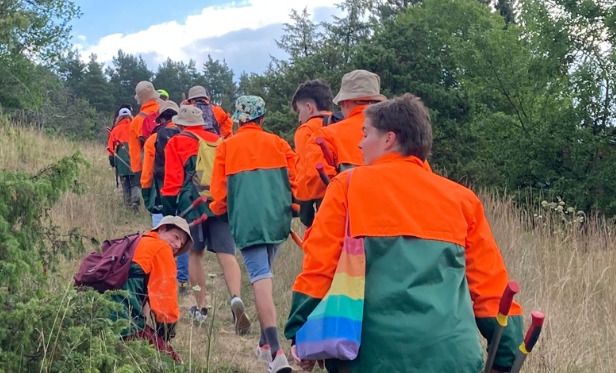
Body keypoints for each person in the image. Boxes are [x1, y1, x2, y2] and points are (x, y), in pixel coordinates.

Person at [285, 94, 525, 372]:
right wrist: (506, 355)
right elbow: (491, 289)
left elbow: (319, 267)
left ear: (389, 139)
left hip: (368, 357)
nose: (360, 144)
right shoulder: (463, 200)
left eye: (366, 134)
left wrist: (300, 331)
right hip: (451, 358)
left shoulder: (347, 187)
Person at [209, 95, 297, 373]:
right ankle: (262, 345)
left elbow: (220, 194)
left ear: (237, 120)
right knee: (265, 279)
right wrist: (294, 208)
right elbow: (296, 182)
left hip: (248, 224)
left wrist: (221, 211)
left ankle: (277, 354)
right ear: (263, 119)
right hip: (278, 221)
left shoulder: (226, 148)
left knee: (260, 280)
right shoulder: (280, 144)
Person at [160, 105, 249, 329]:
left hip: (193, 206)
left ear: (180, 124)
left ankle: (201, 307)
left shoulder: (177, 142)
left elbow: (171, 183)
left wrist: (170, 213)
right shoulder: (220, 141)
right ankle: (236, 298)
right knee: (227, 255)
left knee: (195, 254)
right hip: (220, 203)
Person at [112, 216, 194, 362]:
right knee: (172, 362)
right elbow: (165, 302)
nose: (176, 245)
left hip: (96, 312)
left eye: (181, 244)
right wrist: (166, 333)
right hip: (121, 322)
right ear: (161, 229)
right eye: (176, 237)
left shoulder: (135, 241)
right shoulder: (161, 249)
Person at [140, 101, 189, 291]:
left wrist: (146, 196)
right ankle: (182, 281)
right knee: (181, 237)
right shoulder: (187, 137)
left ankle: (161, 278)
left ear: (160, 118)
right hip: (184, 197)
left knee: (161, 237)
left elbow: (146, 173)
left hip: (161, 195)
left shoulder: (153, 139)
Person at [290, 79, 340, 229]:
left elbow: (307, 175)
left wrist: (305, 214)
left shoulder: (306, 130)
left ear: (309, 107)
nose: (299, 118)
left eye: (299, 111)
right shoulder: (343, 124)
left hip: (326, 202)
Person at [129, 81, 161, 195]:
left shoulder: (136, 121)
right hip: (174, 166)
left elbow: (135, 151)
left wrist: (138, 173)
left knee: (155, 203)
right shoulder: (168, 112)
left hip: (150, 167)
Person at [108, 106, 139, 208]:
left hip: (120, 159)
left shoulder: (115, 130)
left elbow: (110, 149)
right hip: (134, 157)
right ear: (130, 115)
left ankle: (128, 205)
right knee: (135, 183)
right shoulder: (136, 127)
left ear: (119, 118)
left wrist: (112, 162)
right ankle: (136, 202)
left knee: (125, 184)